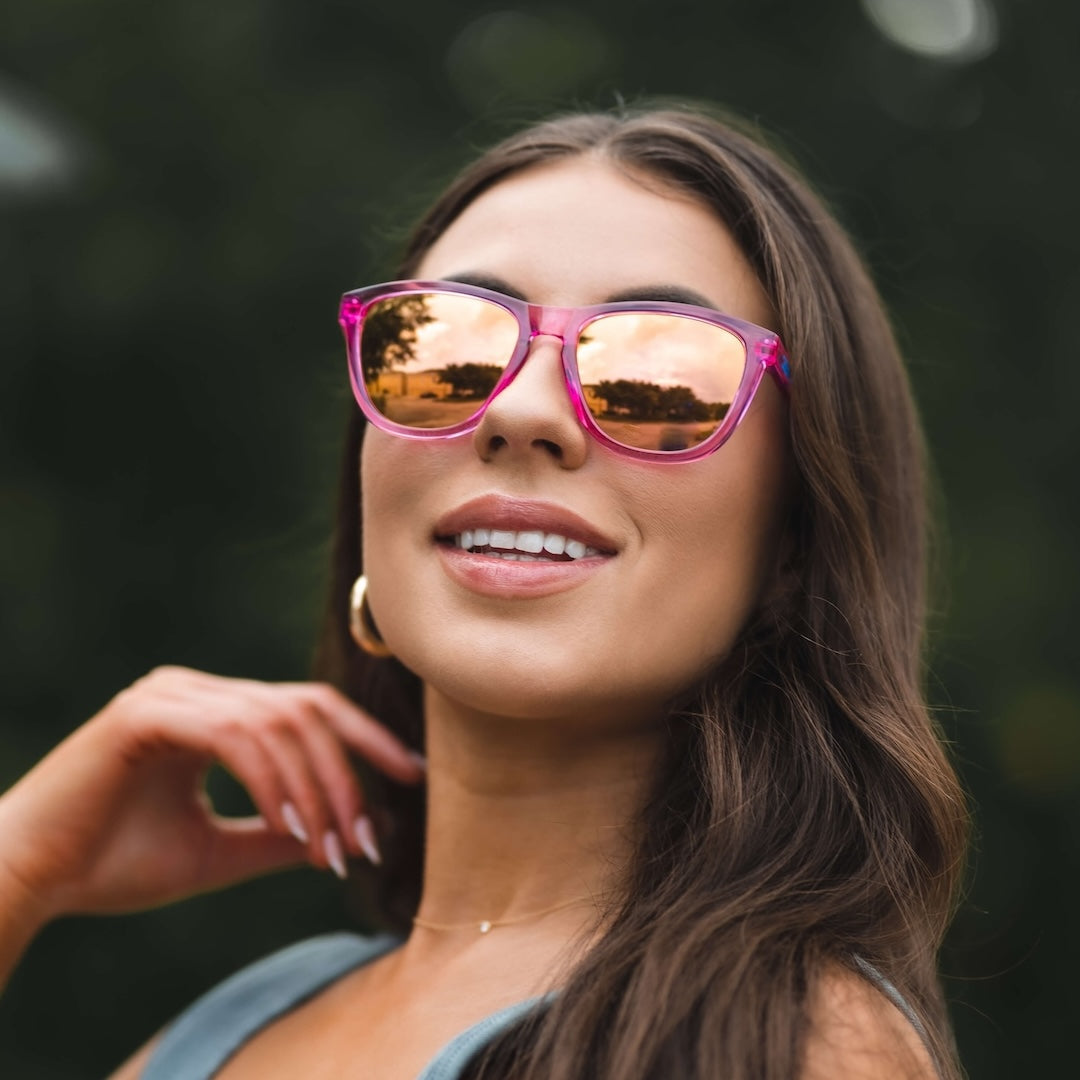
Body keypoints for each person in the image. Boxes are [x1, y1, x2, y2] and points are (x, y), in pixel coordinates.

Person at [0, 102, 968, 1079]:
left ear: (794, 532)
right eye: (446, 349)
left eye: (659, 375)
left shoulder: (785, 1046)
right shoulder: (227, 1031)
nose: (520, 409)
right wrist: (18, 869)